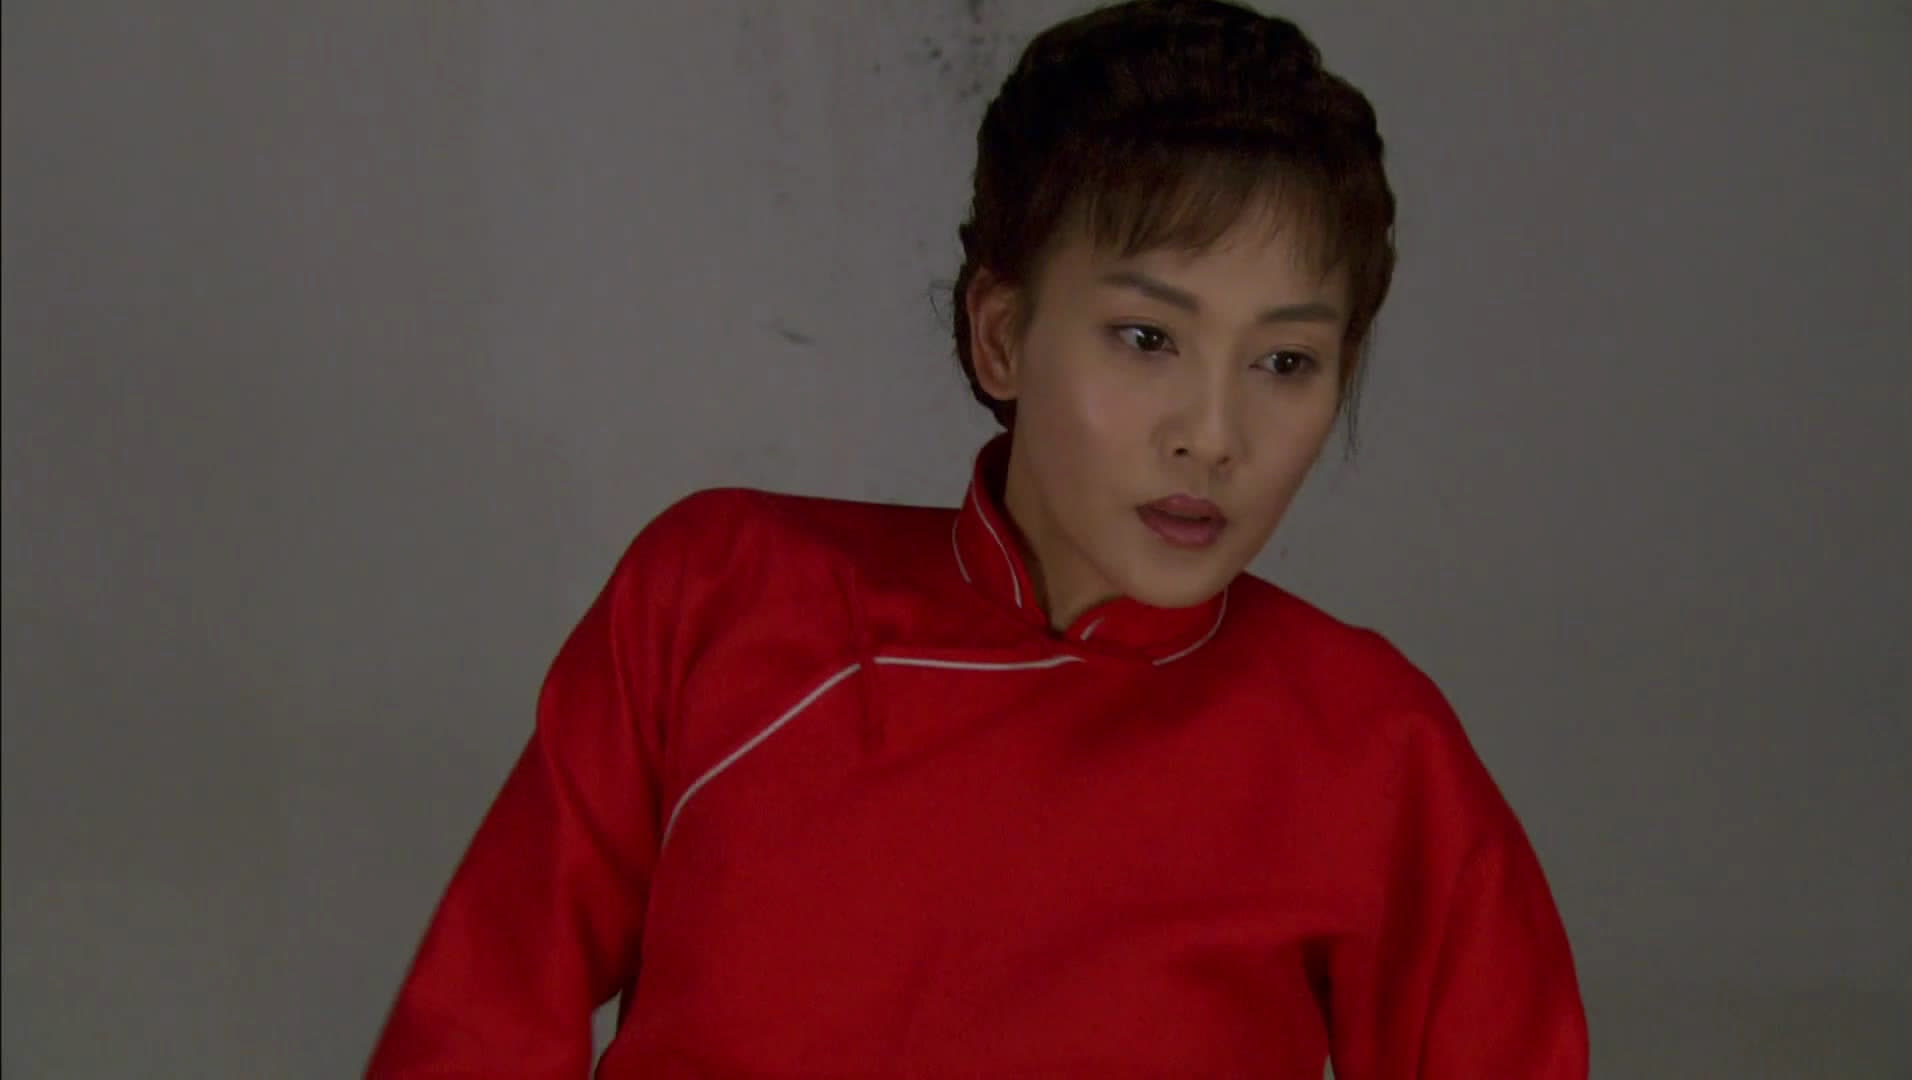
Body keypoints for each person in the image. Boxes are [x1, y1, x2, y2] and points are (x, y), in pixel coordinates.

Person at [367, 1, 1588, 1076]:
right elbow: (474, 1035)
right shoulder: (723, 597)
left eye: (1285, 362)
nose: (1214, 436)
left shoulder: (1371, 749)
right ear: (1001, 335)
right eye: (1147, 339)